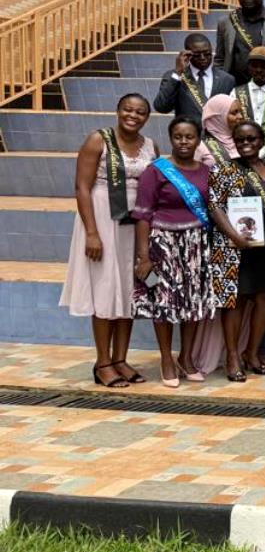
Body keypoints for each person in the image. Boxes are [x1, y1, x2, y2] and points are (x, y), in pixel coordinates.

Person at [62, 93, 158, 387]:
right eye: (128, 109)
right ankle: (103, 362)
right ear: (118, 111)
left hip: (136, 223)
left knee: (130, 289)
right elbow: (81, 187)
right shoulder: (98, 140)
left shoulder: (151, 146)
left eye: (140, 112)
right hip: (103, 218)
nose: (133, 115)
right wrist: (92, 232)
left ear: (147, 117)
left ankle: (120, 359)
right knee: (105, 289)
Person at [131, 117, 235, 388]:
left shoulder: (205, 171)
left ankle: (186, 358)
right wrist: (144, 257)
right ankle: (166, 359)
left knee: (193, 303)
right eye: (178, 136)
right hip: (163, 244)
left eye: (189, 137)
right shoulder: (156, 170)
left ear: (198, 140)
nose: (184, 141)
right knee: (164, 303)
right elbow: (142, 215)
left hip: (196, 245)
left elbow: (214, 208)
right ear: (171, 138)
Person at [211, 122, 265, 381]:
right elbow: (215, 206)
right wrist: (234, 235)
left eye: (251, 138)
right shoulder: (224, 170)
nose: (246, 143)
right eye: (240, 139)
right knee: (236, 301)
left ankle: (252, 353)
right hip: (235, 248)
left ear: (262, 141)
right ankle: (232, 356)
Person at [153, 33, 235, 125]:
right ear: (187, 54)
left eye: (207, 53)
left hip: (216, 137)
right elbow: (161, 107)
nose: (203, 58)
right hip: (187, 136)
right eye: (197, 55)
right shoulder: (174, 77)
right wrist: (178, 73)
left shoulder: (227, 79)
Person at [232, 46, 265, 143]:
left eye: (264, 66)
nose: (258, 70)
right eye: (254, 66)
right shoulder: (236, 93)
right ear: (248, 67)